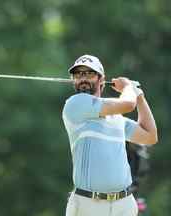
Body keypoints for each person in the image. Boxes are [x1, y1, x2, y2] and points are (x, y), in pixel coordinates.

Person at [62, 54, 158, 216]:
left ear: (101, 79)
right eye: (78, 74)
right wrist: (128, 88)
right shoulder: (75, 104)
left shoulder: (116, 118)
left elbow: (150, 136)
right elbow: (128, 104)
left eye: (89, 74)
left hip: (124, 204)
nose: (83, 78)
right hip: (88, 205)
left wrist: (139, 96)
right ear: (73, 80)